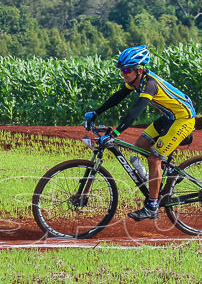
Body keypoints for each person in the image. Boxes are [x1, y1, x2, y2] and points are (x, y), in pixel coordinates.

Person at [84, 46, 195, 221]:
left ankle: (152, 206)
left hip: (183, 119)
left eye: (127, 70)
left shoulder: (150, 84)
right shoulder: (136, 81)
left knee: (154, 158)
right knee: (140, 146)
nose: (123, 74)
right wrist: (96, 112)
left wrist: (117, 132)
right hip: (169, 117)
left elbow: (136, 111)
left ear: (140, 69)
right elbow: (118, 97)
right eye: (121, 70)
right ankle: (169, 176)